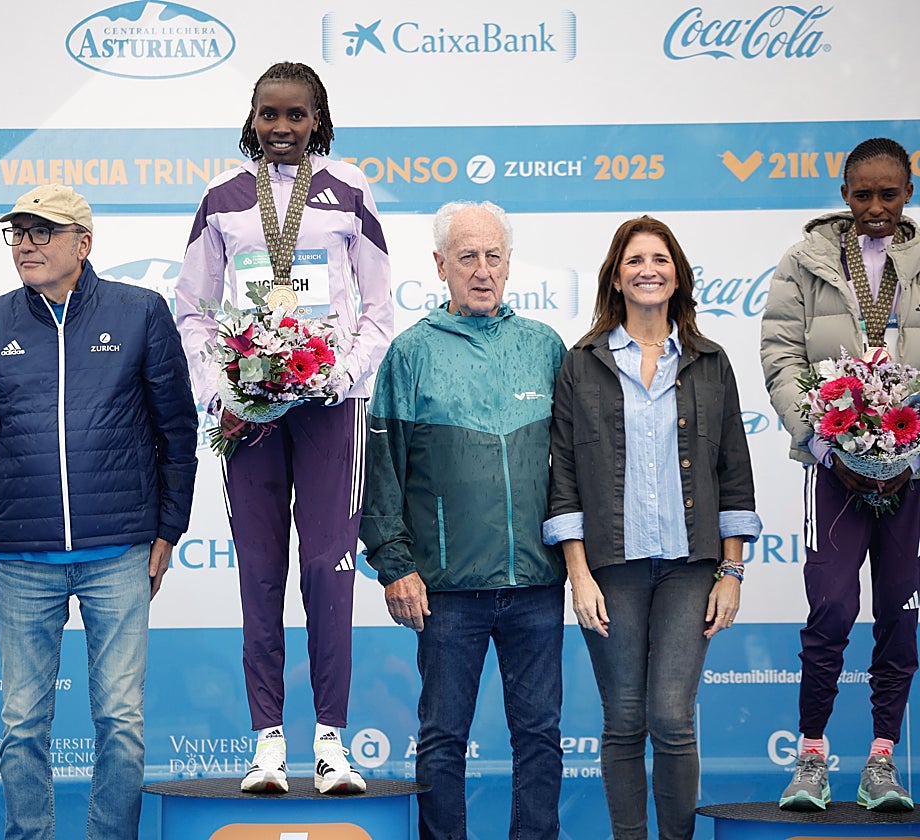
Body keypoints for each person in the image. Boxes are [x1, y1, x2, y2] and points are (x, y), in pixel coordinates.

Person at [0, 183, 198, 838]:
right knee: (22, 723)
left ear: (83, 244)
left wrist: (168, 530)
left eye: (42, 232)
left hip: (117, 552)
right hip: (20, 558)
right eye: (19, 233)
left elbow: (176, 431)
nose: (26, 244)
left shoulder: (140, 312)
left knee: (120, 721)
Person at [175, 61, 392, 794]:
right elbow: (193, 310)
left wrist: (340, 373)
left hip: (333, 410)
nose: (281, 129)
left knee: (330, 572)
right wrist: (221, 392)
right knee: (259, 575)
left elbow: (379, 309)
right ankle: (267, 743)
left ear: (317, 119)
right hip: (252, 413)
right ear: (252, 118)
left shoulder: (350, 191)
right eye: (269, 114)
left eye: (296, 115)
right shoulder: (222, 199)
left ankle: (331, 743)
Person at [544, 216, 761, 840]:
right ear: (617, 275)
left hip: (692, 567)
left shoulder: (709, 361)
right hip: (611, 568)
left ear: (677, 275)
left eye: (661, 259)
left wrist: (732, 570)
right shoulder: (581, 363)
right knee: (624, 720)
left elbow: (734, 471)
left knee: (671, 718)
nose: (648, 270)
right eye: (635, 260)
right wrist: (578, 576)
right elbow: (564, 478)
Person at [361, 201, 565, 839]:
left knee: (540, 738)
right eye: (467, 257)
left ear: (509, 263)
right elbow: (382, 472)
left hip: (537, 583)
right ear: (440, 266)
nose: (482, 271)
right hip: (446, 589)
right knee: (442, 739)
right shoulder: (410, 353)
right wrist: (396, 567)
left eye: (493, 256)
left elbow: (579, 469)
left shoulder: (546, 348)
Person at [762, 137, 920, 812]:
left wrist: (906, 451)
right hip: (834, 472)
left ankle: (881, 761)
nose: (876, 207)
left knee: (900, 612)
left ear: (908, 193)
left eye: (889, 193)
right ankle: (812, 758)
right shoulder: (804, 263)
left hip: (911, 475)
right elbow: (780, 354)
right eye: (863, 194)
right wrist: (830, 443)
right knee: (830, 608)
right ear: (844, 194)